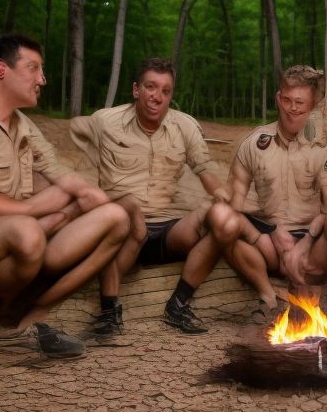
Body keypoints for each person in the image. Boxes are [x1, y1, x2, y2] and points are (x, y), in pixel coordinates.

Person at [0, 34, 130, 358]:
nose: (42, 79)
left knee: (116, 218)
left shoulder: (24, 125)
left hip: (21, 245)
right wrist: (37, 209)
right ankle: (2, 318)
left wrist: (90, 197)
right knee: (29, 228)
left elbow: (61, 173)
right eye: (33, 68)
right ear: (1, 70)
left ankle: (34, 315)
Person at [71, 58, 240, 336]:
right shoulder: (105, 121)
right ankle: (109, 311)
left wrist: (220, 192)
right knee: (114, 224)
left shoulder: (185, 125)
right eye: (151, 87)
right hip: (124, 227)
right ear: (136, 89)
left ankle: (178, 304)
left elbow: (204, 167)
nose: (157, 97)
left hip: (170, 228)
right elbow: (77, 131)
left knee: (224, 220)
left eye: (165, 91)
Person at [226, 65, 327, 319]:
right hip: (269, 242)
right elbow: (234, 203)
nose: (292, 108)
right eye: (287, 100)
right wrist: (270, 230)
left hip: (314, 239)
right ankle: (268, 295)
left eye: (300, 102)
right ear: (278, 98)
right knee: (225, 228)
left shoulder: (326, 149)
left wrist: (303, 244)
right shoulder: (255, 143)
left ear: (312, 106)